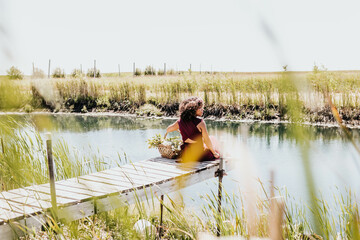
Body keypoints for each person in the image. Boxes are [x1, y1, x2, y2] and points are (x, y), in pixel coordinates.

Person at [164, 96, 220, 161]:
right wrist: (214, 153)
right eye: (200, 108)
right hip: (199, 155)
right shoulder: (200, 123)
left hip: (186, 154)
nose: (203, 110)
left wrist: (180, 128)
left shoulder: (180, 121)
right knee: (214, 143)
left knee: (211, 138)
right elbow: (207, 140)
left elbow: (168, 129)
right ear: (193, 110)